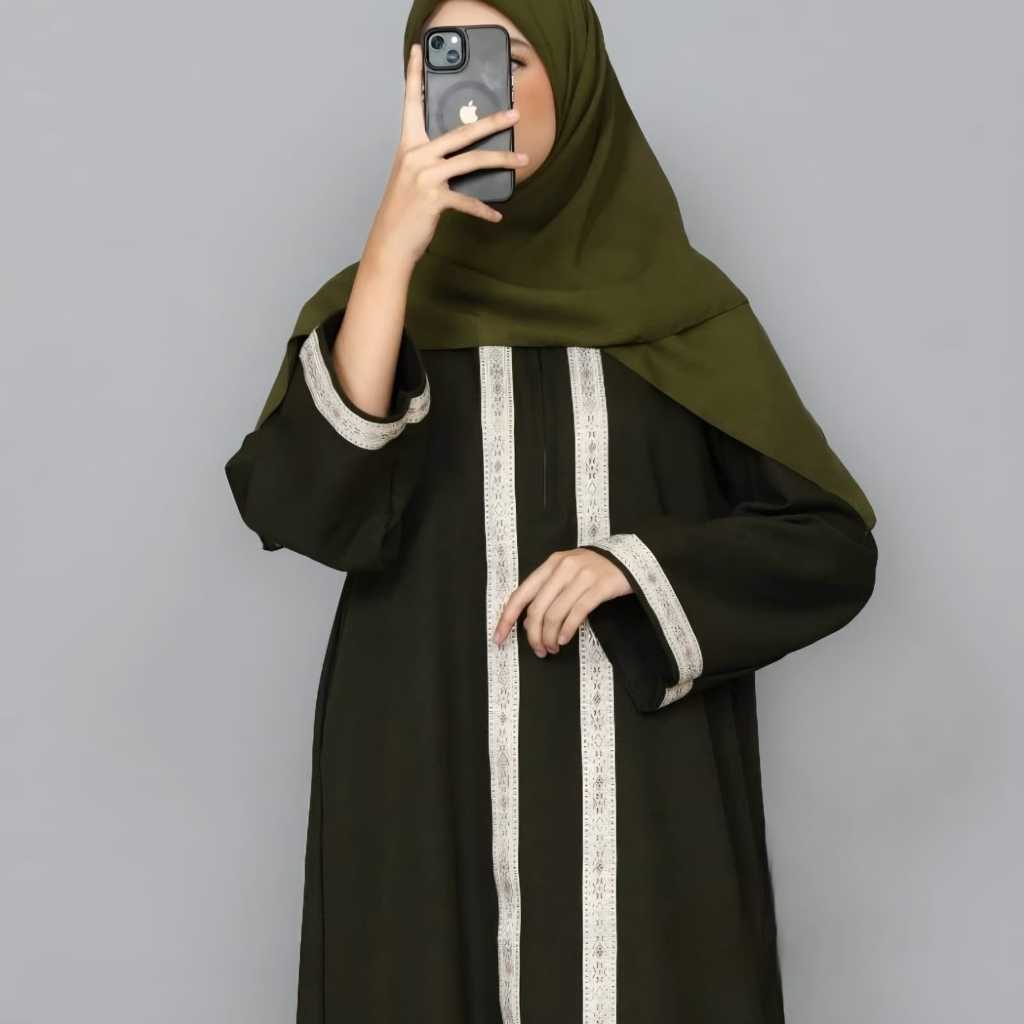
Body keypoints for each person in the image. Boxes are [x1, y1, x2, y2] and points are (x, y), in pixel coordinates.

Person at [223, 1, 879, 1021]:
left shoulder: (681, 313)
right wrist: (390, 254)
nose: (474, 95)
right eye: (439, 64)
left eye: (510, 58)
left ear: (576, 84)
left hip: (645, 804)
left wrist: (634, 567)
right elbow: (299, 508)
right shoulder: (378, 310)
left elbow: (829, 547)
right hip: (418, 772)